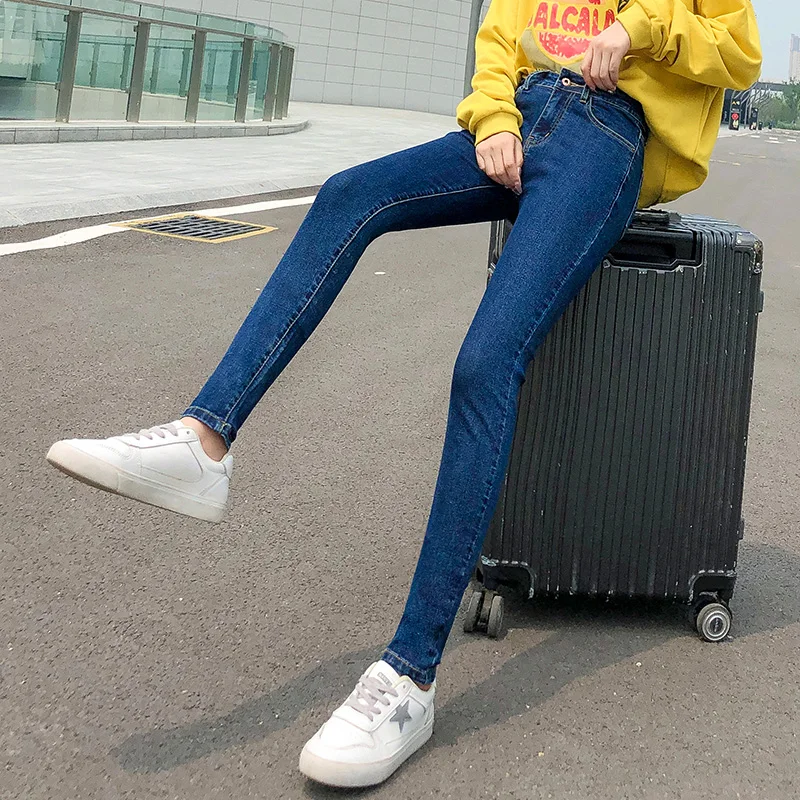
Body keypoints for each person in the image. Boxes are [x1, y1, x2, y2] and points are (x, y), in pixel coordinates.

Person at [46, 0, 761, 789]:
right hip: (525, 112)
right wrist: (494, 116)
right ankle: (204, 439)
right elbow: (501, 36)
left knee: (485, 364)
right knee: (349, 193)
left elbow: (738, 52)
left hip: (608, 139)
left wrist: (639, 29)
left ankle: (408, 679)